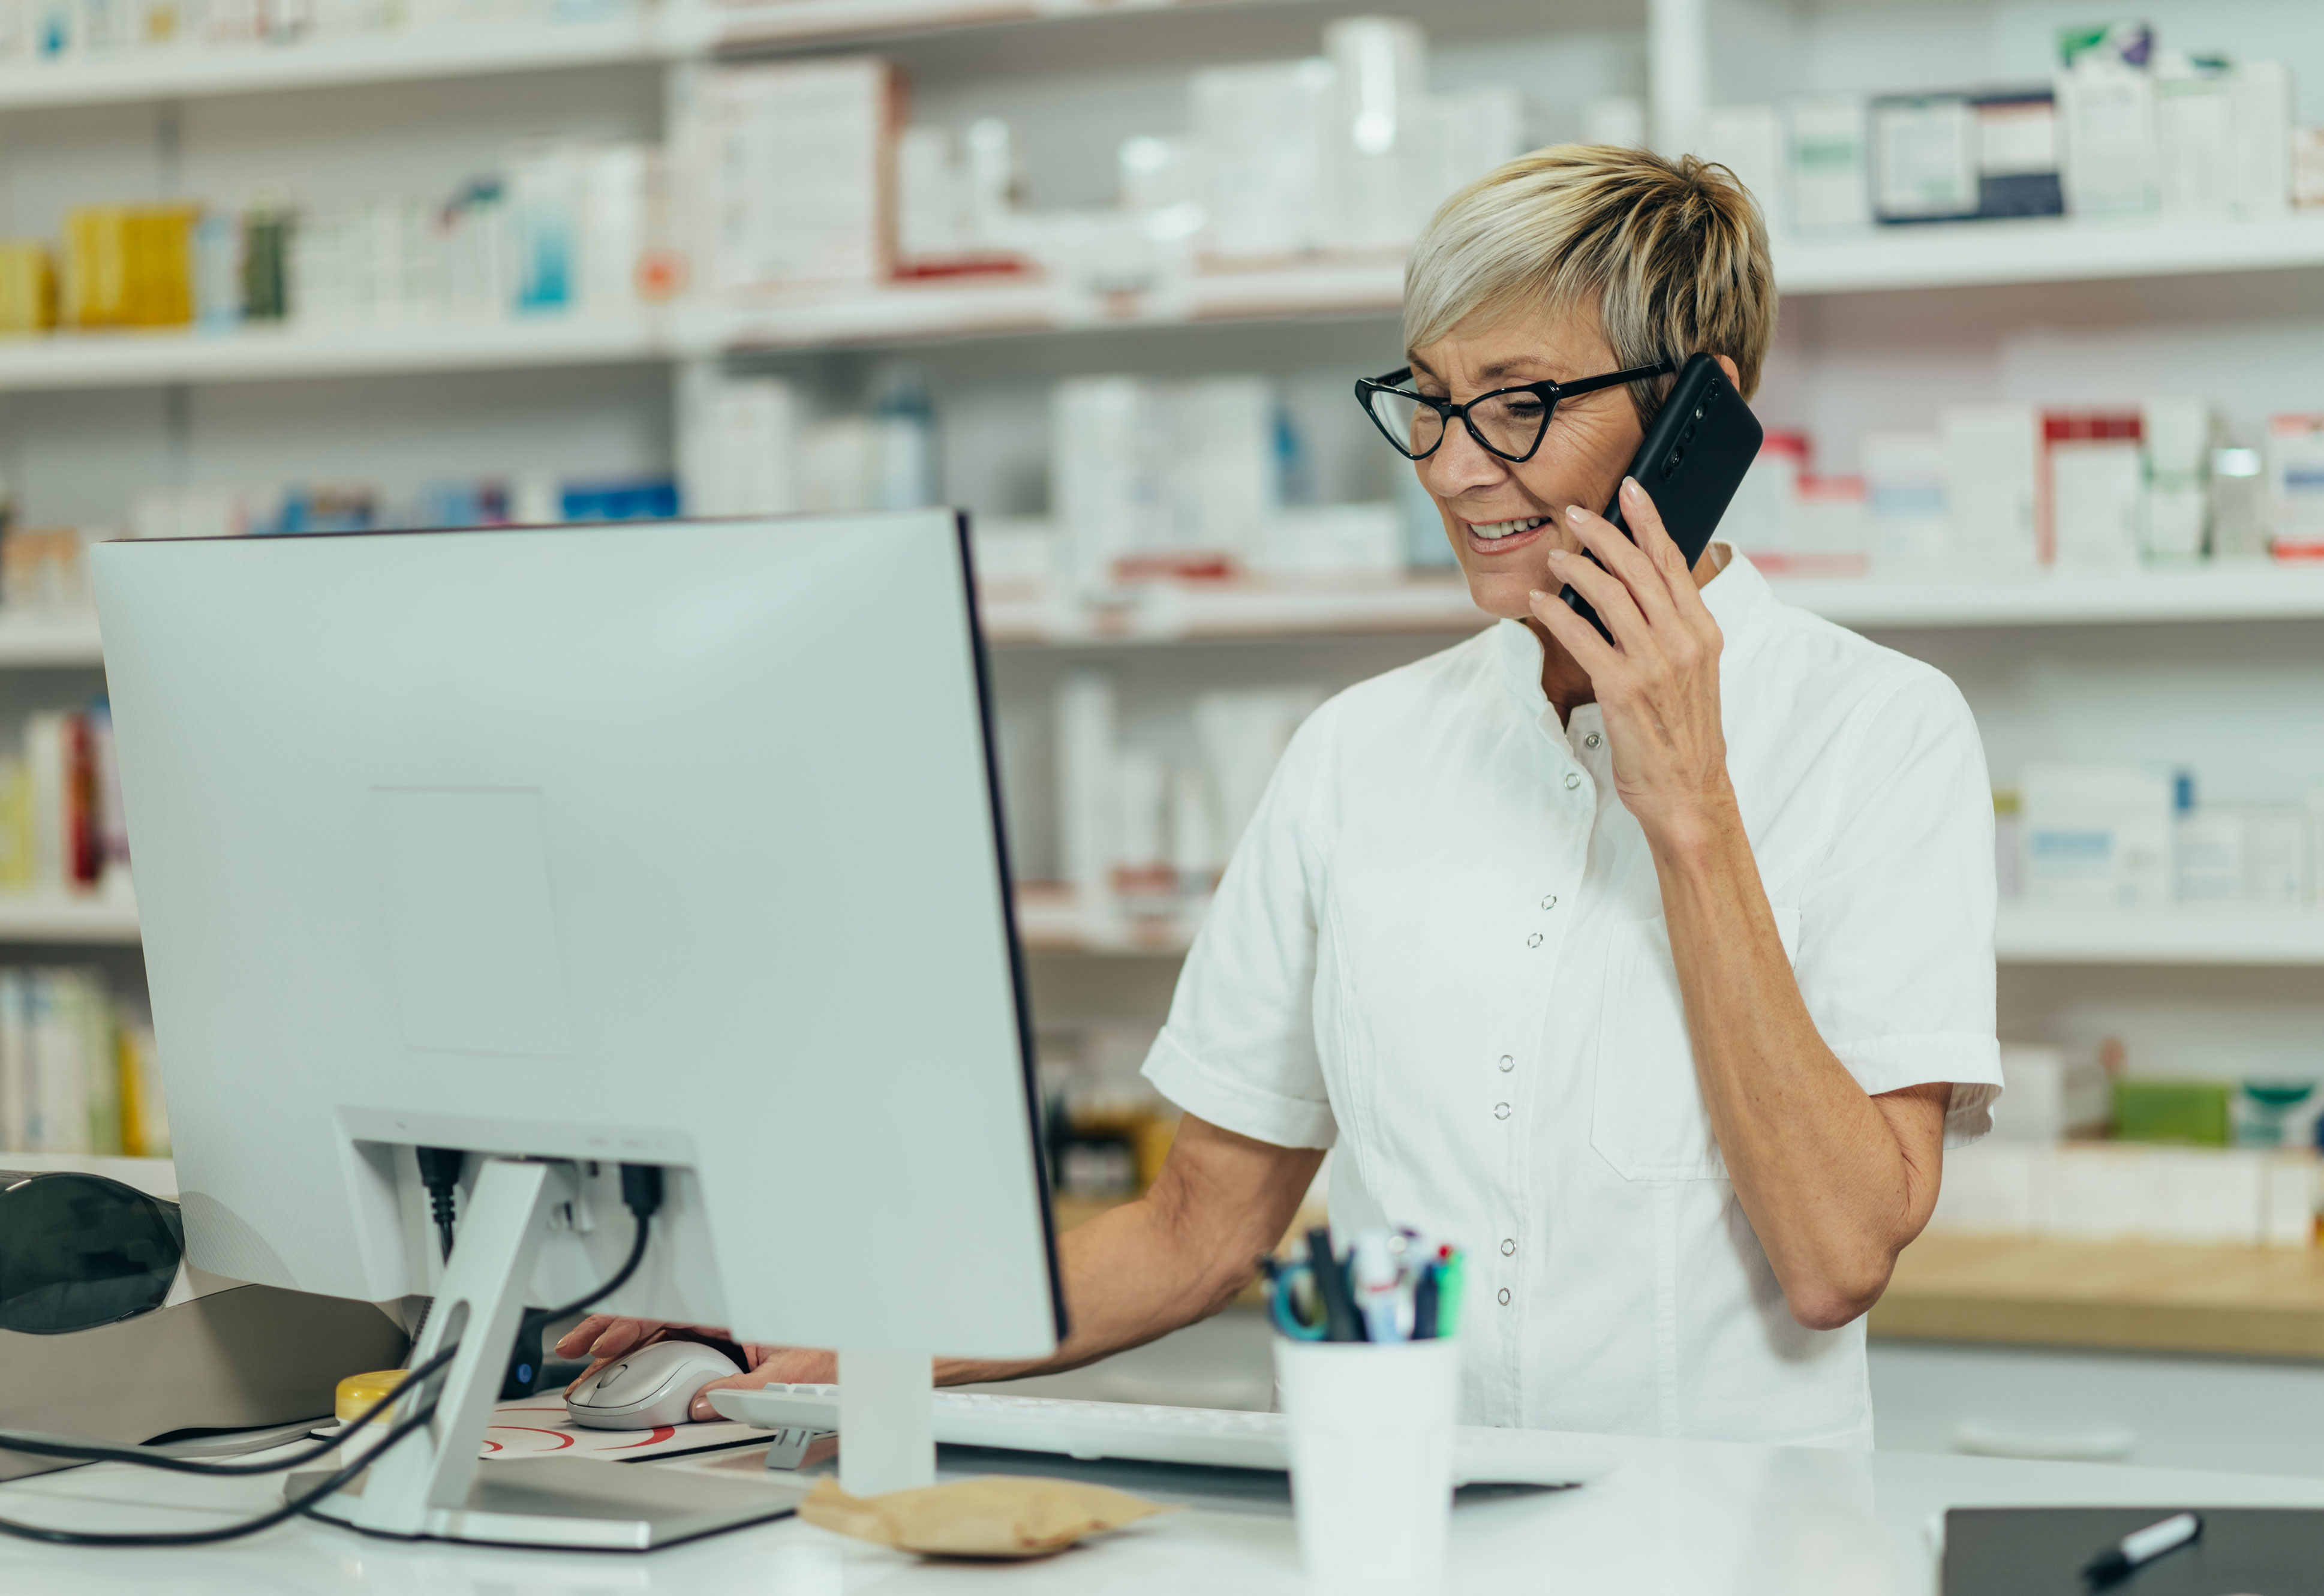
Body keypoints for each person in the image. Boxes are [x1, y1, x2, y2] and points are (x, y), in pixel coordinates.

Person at [561, 145, 2002, 1446]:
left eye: (1516, 406)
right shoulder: (1357, 754)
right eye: (1428, 404)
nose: (1451, 469)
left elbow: (1832, 1256)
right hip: (1399, 1531)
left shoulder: (1878, 733)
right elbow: (1193, 1231)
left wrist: (1688, 813)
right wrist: (813, 1329)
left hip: (1729, 1557)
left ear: (1702, 413)